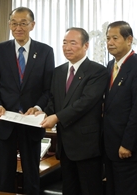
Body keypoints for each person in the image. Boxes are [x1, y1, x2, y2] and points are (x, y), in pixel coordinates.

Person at [0, 7, 55, 194]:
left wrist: (39, 107)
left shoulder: (46, 51)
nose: (18, 27)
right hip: (4, 123)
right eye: (14, 23)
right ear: (9, 25)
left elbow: (49, 88)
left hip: (31, 123)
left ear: (32, 25)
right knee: (4, 174)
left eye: (23, 23)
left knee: (32, 174)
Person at [40, 27, 109, 195]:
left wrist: (56, 118)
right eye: (64, 43)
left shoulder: (97, 71)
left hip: (87, 146)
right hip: (64, 146)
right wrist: (40, 112)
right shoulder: (58, 71)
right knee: (69, 190)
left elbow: (85, 103)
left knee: (89, 190)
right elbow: (53, 101)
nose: (67, 47)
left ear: (86, 46)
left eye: (73, 43)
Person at [103, 21, 137, 195]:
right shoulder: (111, 65)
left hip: (127, 148)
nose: (110, 42)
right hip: (110, 146)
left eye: (115, 38)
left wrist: (128, 144)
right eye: (108, 38)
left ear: (129, 39)